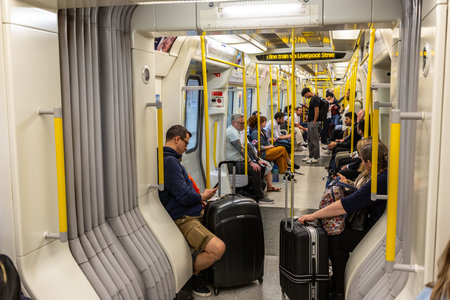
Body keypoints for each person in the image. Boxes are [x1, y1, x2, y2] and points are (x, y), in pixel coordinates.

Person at [298, 142, 389, 299]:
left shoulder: (378, 181)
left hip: (375, 232)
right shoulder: (385, 175)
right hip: (376, 225)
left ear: (369, 163)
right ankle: (338, 282)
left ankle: (339, 288)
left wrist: (314, 215)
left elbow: (345, 206)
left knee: (337, 240)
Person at [158, 125, 225, 297]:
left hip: (191, 211)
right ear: (176, 139)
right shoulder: (170, 162)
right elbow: (184, 196)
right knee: (218, 248)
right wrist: (202, 196)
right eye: (186, 143)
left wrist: (202, 198)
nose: (187, 148)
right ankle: (191, 275)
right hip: (183, 217)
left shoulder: (171, 160)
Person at [226, 114, 274, 203]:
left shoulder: (241, 131)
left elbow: (248, 146)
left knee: (261, 166)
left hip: (241, 160)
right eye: (241, 123)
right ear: (233, 123)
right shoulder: (231, 132)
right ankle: (260, 196)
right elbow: (241, 149)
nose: (244, 125)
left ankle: (253, 192)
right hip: (233, 162)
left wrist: (257, 159)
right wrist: (251, 162)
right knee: (256, 169)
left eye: (245, 123)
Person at [301, 87, 321, 164]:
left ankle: (315, 157)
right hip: (310, 121)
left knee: (314, 140)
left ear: (307, 93)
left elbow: (317, 110)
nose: (306, 97)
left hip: (313, 122)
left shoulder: (315, 99)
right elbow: (312, 110)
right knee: (310, 139)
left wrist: (314, 121)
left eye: (305, 96)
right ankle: (311, 155)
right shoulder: (312, 99)